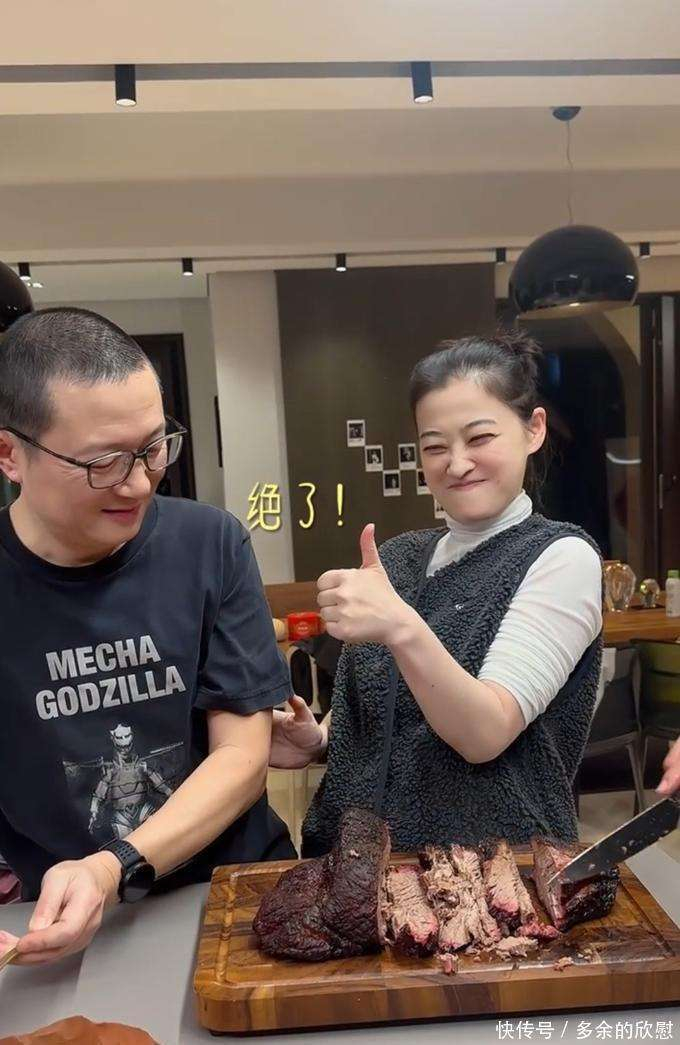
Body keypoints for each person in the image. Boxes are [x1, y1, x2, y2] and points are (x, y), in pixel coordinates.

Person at [0, 308, 294, 966]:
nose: (137, 482)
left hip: (234, 894)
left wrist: (113, 867)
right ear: (10, 455)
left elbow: (242, 757)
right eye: (103, 462)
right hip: (59, 921)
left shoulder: (209, 543)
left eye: (154, 447)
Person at [272, 331, 607, 853]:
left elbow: (485, 733)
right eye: (434, 446)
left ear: (533, 429)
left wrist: (400, 626)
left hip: (488, 871)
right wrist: (320, 741)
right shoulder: (398, 558)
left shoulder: (561, 558)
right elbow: (381, 698)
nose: (456, 463)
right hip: (354, 863)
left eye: (479, 438)